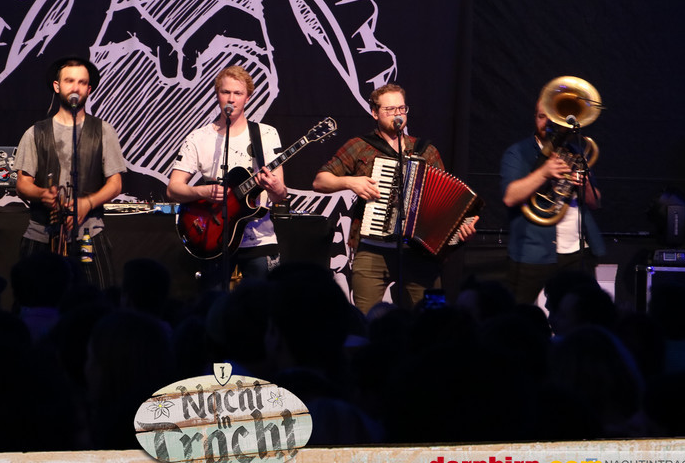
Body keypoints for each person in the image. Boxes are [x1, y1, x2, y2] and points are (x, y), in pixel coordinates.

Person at [313, 83, 476, 314]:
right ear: (374, 112)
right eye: (390, 110)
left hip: (419, 252)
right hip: (372, 250)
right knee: (366, 318)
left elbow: (445, 203)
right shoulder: (360, 146)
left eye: (401, 108)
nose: (397, 114)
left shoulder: (426, 150)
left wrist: (459, 229)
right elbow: (320, 181)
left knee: (433, 317)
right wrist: (350, 182)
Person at [167, 65, 288, 283]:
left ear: (248, 98)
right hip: (213, 237)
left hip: (259, 239)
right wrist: (203, 191)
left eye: (238, 93)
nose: (231, 99)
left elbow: (279, 195)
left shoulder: (266, 134)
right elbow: (173, 189)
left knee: (260, 300)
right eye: (225, 92)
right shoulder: (198, 137)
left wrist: (276, 188)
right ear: (217, 94)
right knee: (214, 299)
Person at [14, 56, 126, 289]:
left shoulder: (104, 131)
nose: (76, 87)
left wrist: (87, 202)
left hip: (89, 235)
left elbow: (115, 184)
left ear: (89, 89)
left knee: (99, 300)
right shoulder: (35, 132)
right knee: (36, 299)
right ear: (57, 86)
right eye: (69, 81)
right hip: (42, 235)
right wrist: (42, 194)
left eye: (82, 82)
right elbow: (22, 184)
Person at [500, 97, 605, 305]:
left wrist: (584, 185)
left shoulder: (576, 153)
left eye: (553, 117)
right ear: (534, 118)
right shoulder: (518, 152)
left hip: (576, 250)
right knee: (518, 312)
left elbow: (595, 203)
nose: (547, 123)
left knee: (585, 312)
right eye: (541, 116)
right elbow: (510, 197)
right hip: (533, 250)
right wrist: (544, 173)